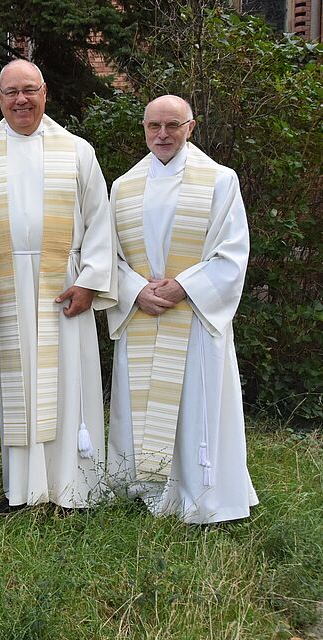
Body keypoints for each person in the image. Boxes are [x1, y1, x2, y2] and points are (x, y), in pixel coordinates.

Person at [0, 60, 116, 511]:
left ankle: (75, 489)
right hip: (2, 291)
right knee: (15, 389)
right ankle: (21, 489)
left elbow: (100, 220)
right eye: (11, 92)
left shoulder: (77, 151)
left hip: (64, 288)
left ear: (45, 93)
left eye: (29, 90)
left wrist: (90, 282)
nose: (21, 100)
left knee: (68, 386)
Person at [106, 95, 257, 523]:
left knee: (195, 408)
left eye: (173, 125)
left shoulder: (219, 180)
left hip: (193, 316)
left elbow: (233, 253)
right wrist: (135, 290)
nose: (162, 134)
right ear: (143, 128)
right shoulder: (124, 186)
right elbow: (108, 256)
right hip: (143, 314)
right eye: (153, 126)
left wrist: (184, 287)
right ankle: (146, 489)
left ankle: (201, 494)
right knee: (142, 405)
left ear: (191, 127)